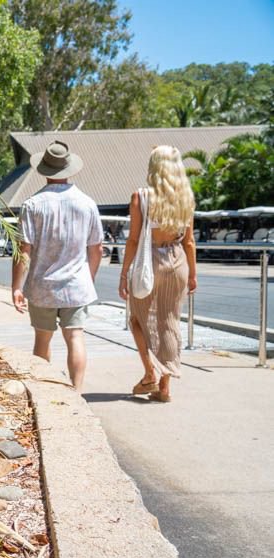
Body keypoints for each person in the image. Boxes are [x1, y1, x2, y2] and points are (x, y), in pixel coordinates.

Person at [12, 141, 103, 391]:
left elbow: (24, 250)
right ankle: (77, 389)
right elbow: (97, 249)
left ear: (44, 170)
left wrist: (16, 286)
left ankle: (43, 389)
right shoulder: (87, 203)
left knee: (42, 339)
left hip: (42, 287)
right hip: (77, 285)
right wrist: (89, 277)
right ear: (70, 169)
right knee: (75, 336)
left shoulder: (32, 205)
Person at [119, 145, 197, 402]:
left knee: (137, 320)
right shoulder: (186, 197)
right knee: (169, 322)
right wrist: (193, 275)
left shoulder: (140, 197)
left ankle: (150, 373)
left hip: (148, 262)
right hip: (177, 262)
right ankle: (164, 388)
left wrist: (124, 274)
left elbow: (132, 241)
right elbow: (189, 242)